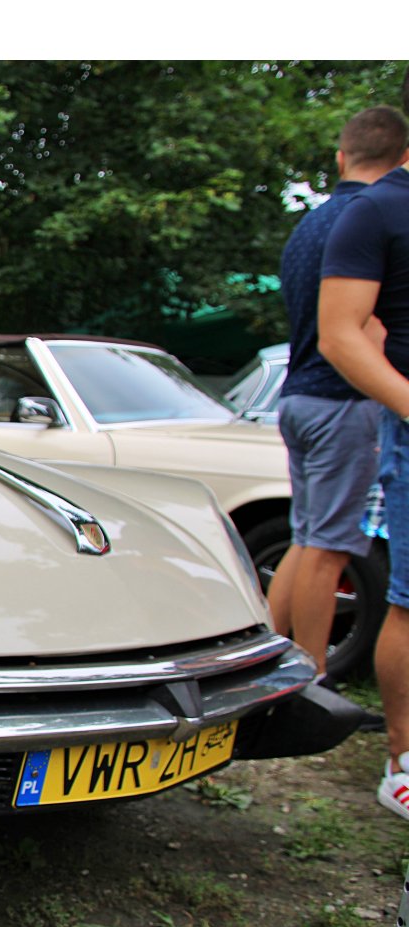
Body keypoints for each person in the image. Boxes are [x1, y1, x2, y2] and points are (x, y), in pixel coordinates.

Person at [267, 106, 409, 680]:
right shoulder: (373, 218)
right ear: (402, 157)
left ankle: (265, 662)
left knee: (307, 540)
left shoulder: (314, 223)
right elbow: (366, 328)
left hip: (297, 395)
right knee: (328, 548)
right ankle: (309, 679)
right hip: (341, 402)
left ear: (341, 157)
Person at [317, 104, 409, 821]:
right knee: (341, 556)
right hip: (380, 416)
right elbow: (345, 333)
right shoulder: (372, 213)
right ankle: (402, 764)